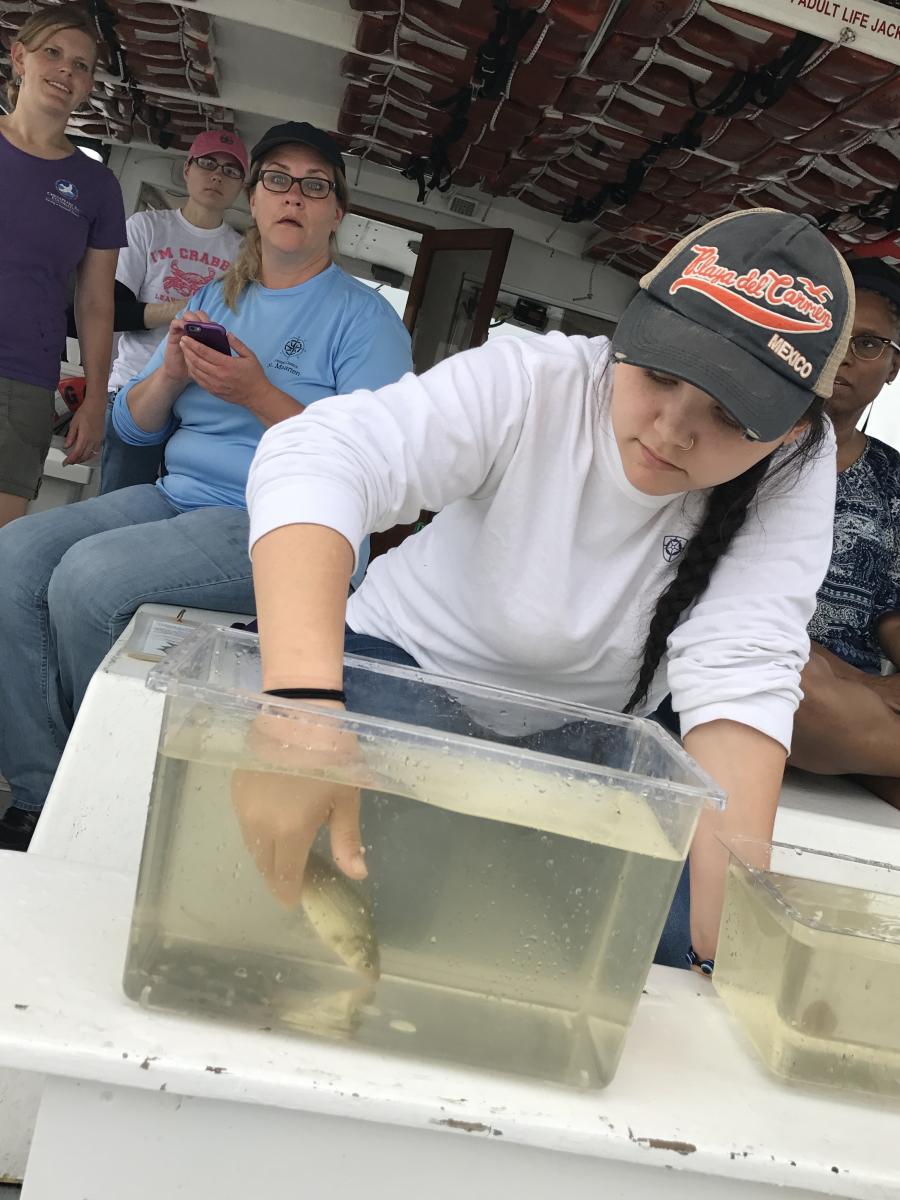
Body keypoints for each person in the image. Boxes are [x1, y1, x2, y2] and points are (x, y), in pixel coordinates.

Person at [242, 208, 853, 971]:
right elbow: (322, 453)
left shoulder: (797, 467)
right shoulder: (538, 378)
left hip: (593, 728)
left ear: (790, 431)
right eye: (660, 373)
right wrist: (298, 711)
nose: (671, 431)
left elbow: (742, 668)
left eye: (730, 415)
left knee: (665, 946)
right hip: (408, 667)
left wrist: (721, 945)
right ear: (629, 330)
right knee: (384, 910)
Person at [0, 120, 413, 851]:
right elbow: (134, 431)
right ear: (252, 200)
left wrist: (259, 394)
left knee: (89, 583)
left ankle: (95, 801)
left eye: (316, 186)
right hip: (177, 494)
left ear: (337, 213)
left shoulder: (367, 320)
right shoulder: (220, 298)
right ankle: (45, 789)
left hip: (281, 525)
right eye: (278, 180)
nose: (295, 197)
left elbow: (378, 466)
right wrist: (167, 374)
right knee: (14, 558)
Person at [0, 6, 126, 527]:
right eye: (52, 53)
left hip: (23, 381)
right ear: (20, 58)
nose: (65, 70)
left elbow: (96, 302)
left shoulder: (97, 186)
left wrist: (95, 397)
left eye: (81, 65)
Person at [791, 256, 900, 810]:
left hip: (860, 706)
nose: (844, 355)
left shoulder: (894, 478)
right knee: (792, 690)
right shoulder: (750, 447)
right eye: (833, 334)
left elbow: (893, 609)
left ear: (894, 368)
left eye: (869, 344)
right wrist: (864, 687)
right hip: (778, 670)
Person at [100, 129, 248, 493]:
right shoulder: (145, 228)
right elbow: (113, 313)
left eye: (231, 170)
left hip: (200, 410)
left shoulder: (246, 255)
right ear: (188, 168)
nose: (217, 175)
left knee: (173, 518)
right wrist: (182, 311)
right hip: (133, 391)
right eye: (208, 163)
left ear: (243, 186)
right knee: (117, 510)